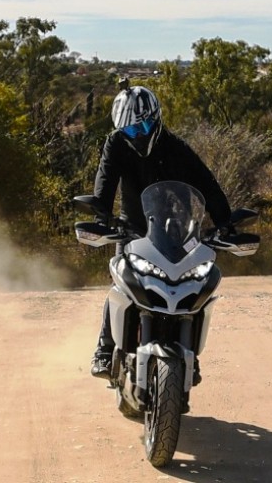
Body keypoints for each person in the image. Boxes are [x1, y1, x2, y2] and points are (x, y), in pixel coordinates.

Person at [89, 81, 232, 382]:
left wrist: (225, 221)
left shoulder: (176, 147)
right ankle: (105, 348)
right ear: (120, 130)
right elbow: (104, 183)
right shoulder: (116, 143)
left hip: (175, 229)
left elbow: (207, 185)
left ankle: (186, 350)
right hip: (132, 228)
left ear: (156, 119)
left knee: (189, 286)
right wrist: (101, 216)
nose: (136, 136)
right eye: (129, 131)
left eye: (141, 129)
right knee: (121, 284)